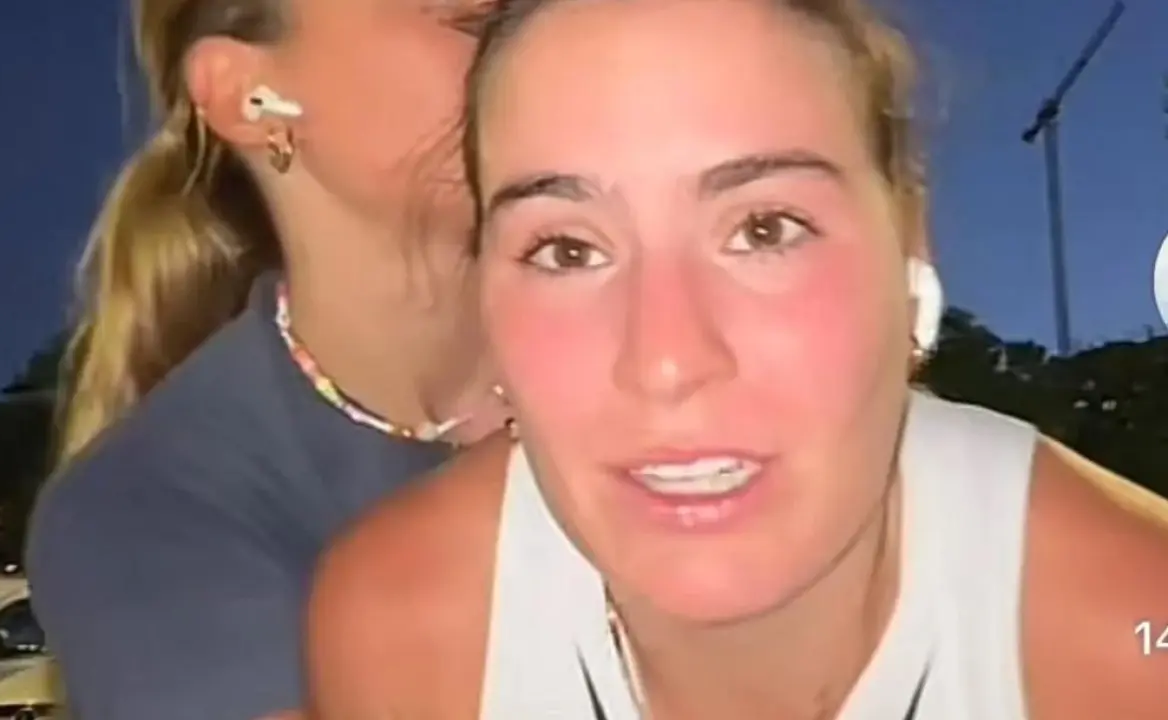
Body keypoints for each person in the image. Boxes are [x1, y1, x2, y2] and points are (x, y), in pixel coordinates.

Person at [306, 0, 1168, 718]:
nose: (667, 361)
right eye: (567, 249)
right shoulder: (409, 639)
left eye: (764, 230)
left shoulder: (1135, 643)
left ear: (909, 247)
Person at [25, 1, 503, 719]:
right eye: (475, 19)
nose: (542, 35)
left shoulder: (662, 350)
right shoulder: (142, 512)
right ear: (248, 97)